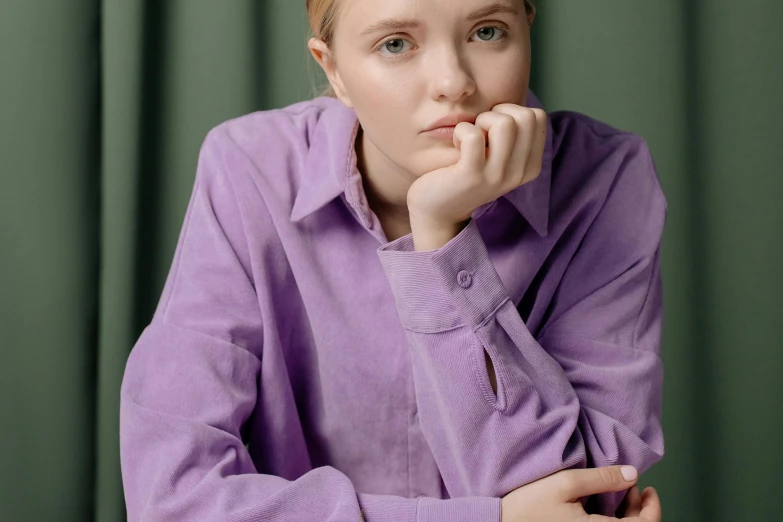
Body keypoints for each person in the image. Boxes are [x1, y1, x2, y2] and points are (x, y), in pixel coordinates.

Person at [119, 0, 667, 520]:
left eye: (487, 31)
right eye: (397, 44)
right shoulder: (248, 170)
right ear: (333, 70)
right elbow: (171, 499)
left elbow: (580, 500)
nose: (454, 83)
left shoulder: (605, 180)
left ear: (527, 26)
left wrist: (442, 241)